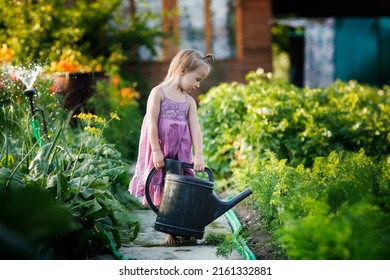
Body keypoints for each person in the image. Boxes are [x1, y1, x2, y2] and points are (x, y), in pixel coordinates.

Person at [128, 49, 214, 244]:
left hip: (182, 152)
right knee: (164, 185)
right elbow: (151, 122)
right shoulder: (158, 93)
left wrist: (198, 154)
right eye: (197, 79)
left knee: (181, 185)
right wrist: (156, 151)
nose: (197, 85)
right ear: (183, 71)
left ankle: (181, 225)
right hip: (162, 149)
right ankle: (170, 231)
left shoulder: (189, 102)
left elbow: (195, 128)